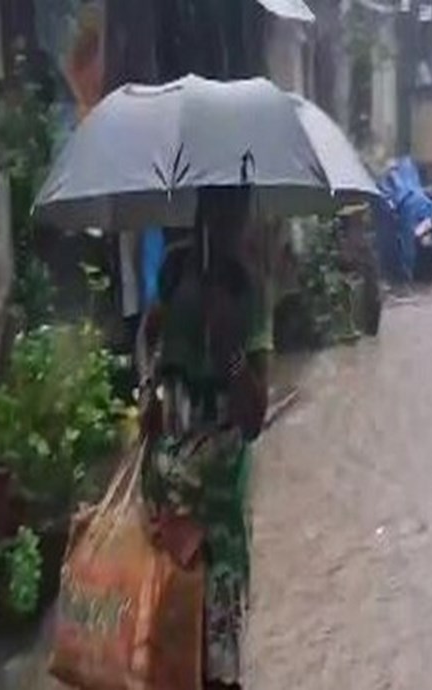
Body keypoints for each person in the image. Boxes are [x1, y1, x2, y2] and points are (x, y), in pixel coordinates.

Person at [138, 187, 272, 689]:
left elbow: (255, 417)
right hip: (168, 491)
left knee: (218, 655)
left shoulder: (246, 287)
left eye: (236, 210)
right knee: (165, 643)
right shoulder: (173, 270)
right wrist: (148, 389)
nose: (230, 222)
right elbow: (150, 344)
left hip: (218, 506)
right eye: (219, 208)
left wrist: (231, 351)